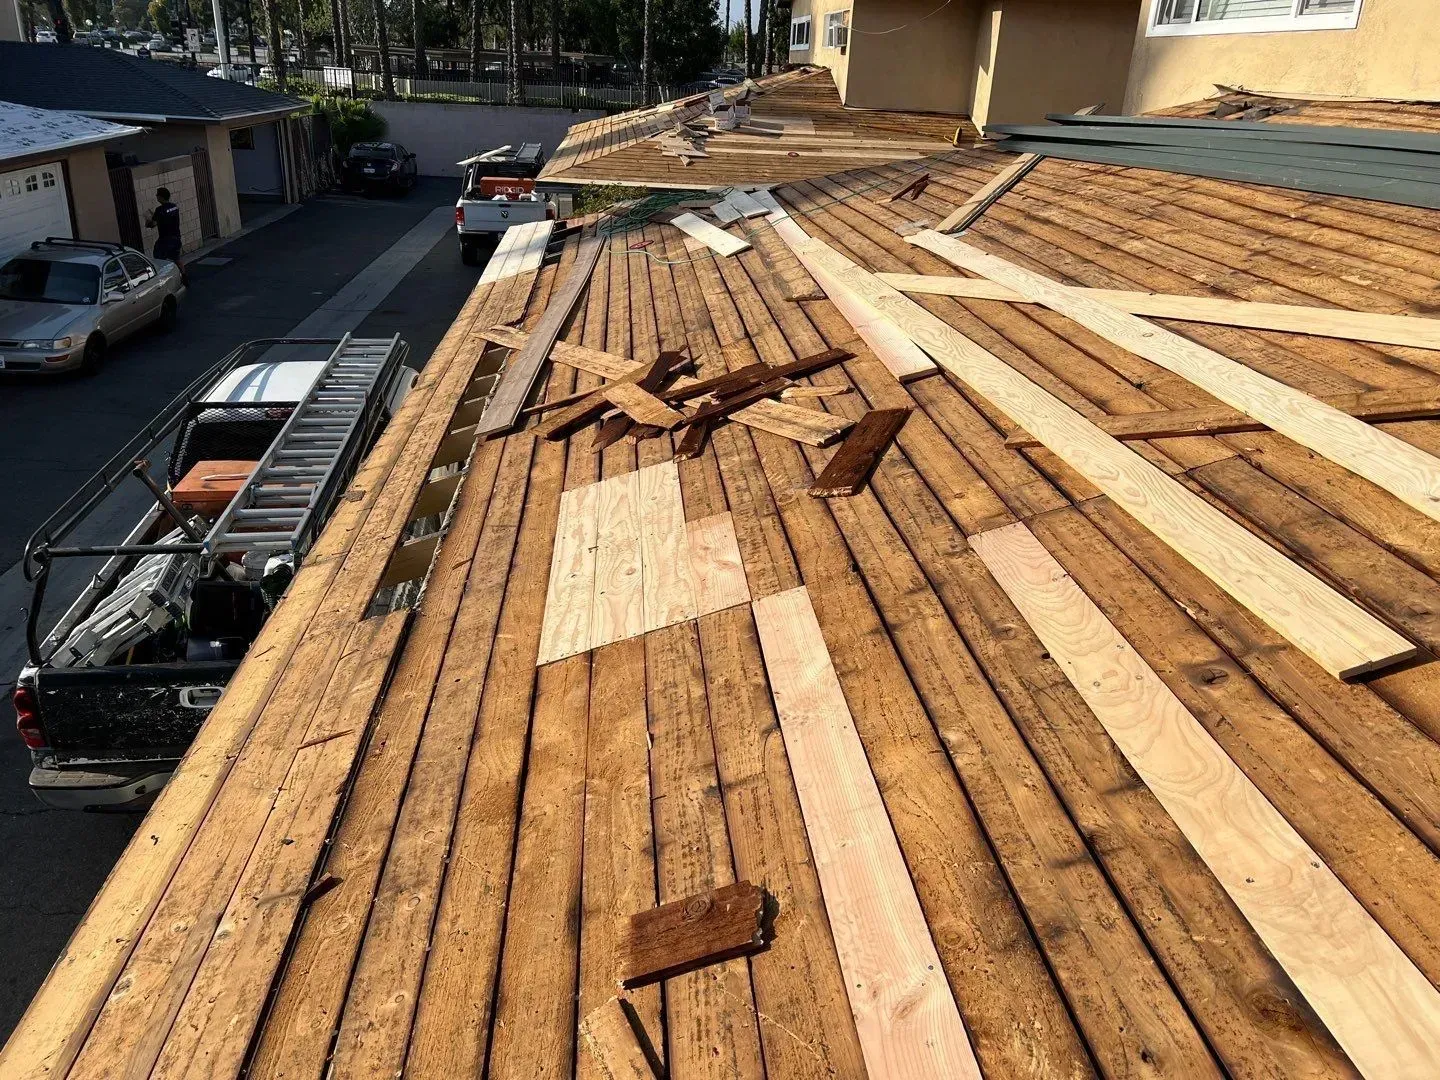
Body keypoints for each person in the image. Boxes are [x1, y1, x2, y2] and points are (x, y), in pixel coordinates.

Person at [145, 187, 186, 281]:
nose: (156, 196)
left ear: (161, 197)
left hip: (165, 240)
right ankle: (184, 277)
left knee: (159, 260)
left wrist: (147, 221)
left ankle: (165, 279)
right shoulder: (174, 207)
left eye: (157, 195)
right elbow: (167, 217)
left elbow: (153, 224)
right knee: (177, 259)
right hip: (176, 238)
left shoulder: (159, 209)